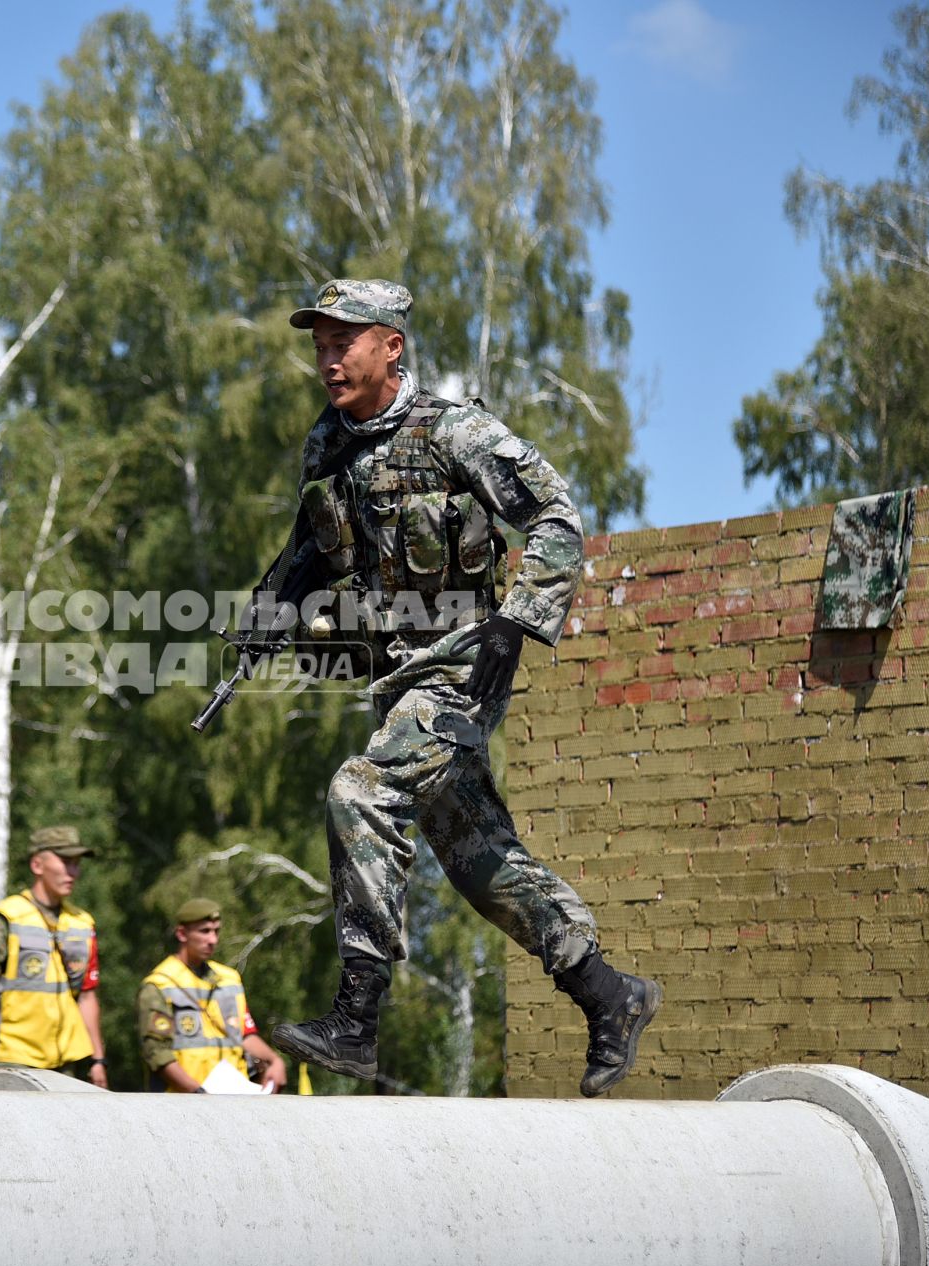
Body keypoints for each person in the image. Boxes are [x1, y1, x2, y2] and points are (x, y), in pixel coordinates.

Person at [252, 280, 660, 1097]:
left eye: (344, 343)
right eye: (320, 346)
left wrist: (520, 617)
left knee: (360, 792)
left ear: (390, 345)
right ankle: (609, 992)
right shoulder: (325, 445)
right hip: (396, 680)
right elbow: (310, 542)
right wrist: (273, 604)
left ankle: (357, 1019)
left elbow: (555, 513)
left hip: (462, 670)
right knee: (481, 862)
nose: (328, 360)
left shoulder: (454, 432)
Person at [0, 826, 108, 1087]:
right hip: (13, 1057)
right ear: (37, 865)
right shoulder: (7, 917)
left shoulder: (82, 923)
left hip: (66, 1062)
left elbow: (87, 994)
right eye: (64, 862)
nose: (72, 872)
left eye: (76, 864)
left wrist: (97, 1060)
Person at [138, 898, 287, 1094]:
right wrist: (199, 1093)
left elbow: (245, 1035)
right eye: (204, 931)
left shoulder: (229, 979)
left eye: (216, 931)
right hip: (182, 1102)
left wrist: (275, 1061)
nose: (213, 940)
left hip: (233, 1098)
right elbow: (157, 1054)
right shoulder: (159, 984)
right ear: (182, 934)